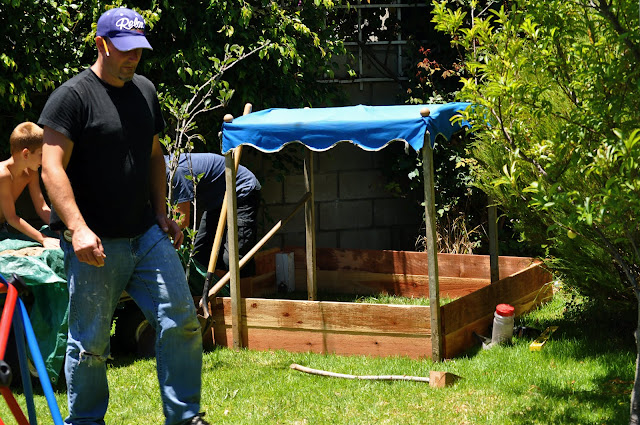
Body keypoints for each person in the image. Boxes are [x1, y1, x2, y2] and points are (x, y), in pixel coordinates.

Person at [38, 7, 209, 425]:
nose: (134, 57)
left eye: (139, 50)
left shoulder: (144, 91)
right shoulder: (72, 97)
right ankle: (85, 421)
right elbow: (51, 167)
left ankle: (185, 417)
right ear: (102, 44)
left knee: (183, 321)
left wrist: (161, 213)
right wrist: (77, 229)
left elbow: (154, 156)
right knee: (91, 345)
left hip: (145, 235)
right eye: (125, 49)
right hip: (95, 243)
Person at [166, 152, 260, 279]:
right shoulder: (162, 170)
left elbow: (182, 221)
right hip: (217, 200)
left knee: (234, 260)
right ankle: (217, 290)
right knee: (201, 256)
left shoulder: (176, 172)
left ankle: (242, 292)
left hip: (241, 191)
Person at [0, 122, 60, 248]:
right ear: (26, 154)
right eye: (41, 154)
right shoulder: (3, 174)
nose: (44, 159)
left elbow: (41, 207)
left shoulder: (31, 172)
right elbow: (11, 218)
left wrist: (61, 229)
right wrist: (43, 239)